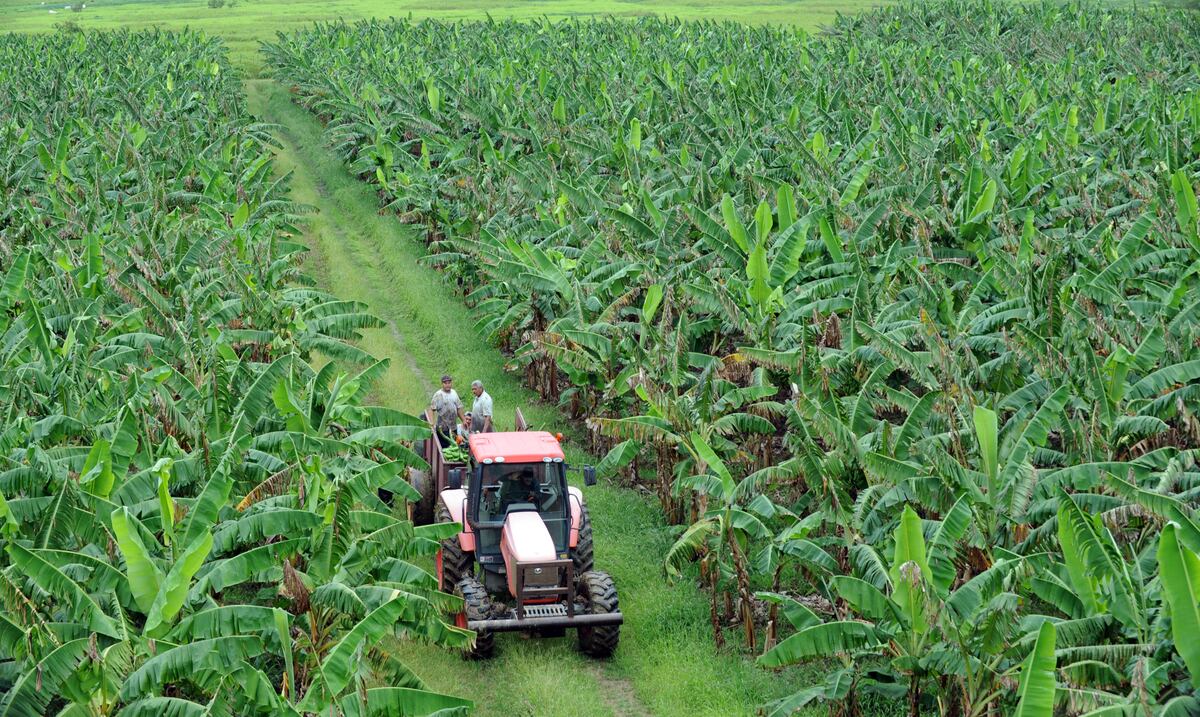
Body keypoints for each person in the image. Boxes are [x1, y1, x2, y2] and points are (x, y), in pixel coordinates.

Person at [429, 374, 466, 448]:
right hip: (442, 428)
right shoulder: (438, 395)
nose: (447, 385)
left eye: (449, 383)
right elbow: (431, 409)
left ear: (451, 383)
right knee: (445, 448)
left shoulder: (454, 393)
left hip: (453, 427)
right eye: (445, 383)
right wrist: (432, 423)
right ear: (442, 384)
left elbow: (458, 408)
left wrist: (463, 420)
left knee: (454, 446)